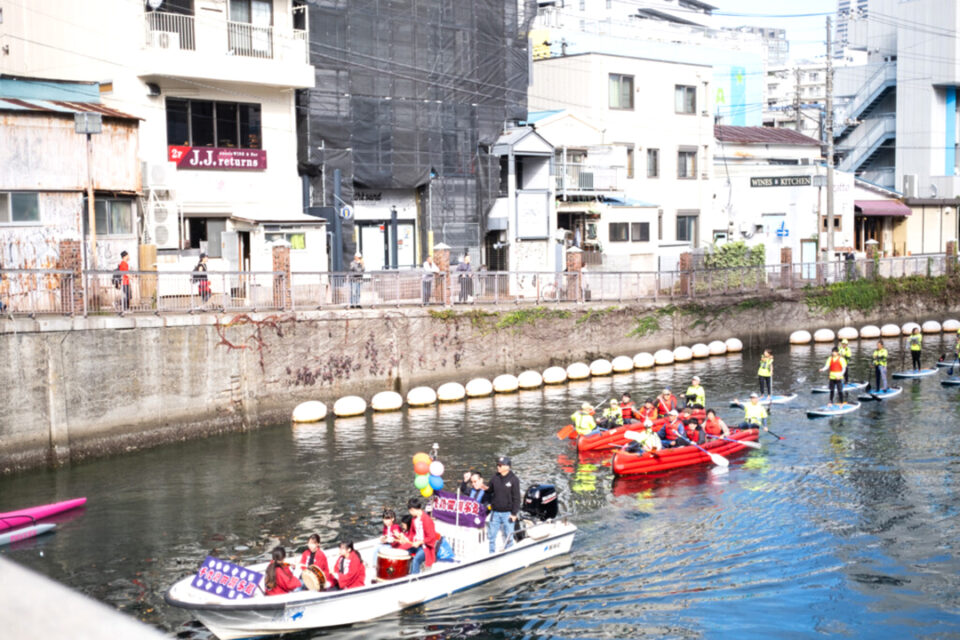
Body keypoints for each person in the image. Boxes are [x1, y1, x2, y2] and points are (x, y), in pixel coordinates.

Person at [487, 456, 521, 554]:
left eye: (500, 465)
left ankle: (509, 553)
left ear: (507, 467)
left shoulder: (514, 480)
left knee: (509, 536)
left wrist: (514, 513)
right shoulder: (495, 477)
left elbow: (517, 498)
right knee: (492, 536)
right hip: (495, 512)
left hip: (508, 513)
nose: (498, 467)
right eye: (497, 465)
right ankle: (491, 554)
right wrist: (483, 486)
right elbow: (489, 490)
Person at [406, 497, 440, 574]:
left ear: (413, 510)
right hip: (416, 544)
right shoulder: (414, 519)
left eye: (410, 511)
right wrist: (404, 538)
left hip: (426, 547)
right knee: (403, 552)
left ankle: (414, 578)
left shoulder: (427, 520)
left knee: (416, 560)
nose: (410, 513)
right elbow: (412, 534)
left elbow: (431, 537)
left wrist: (419, 542)